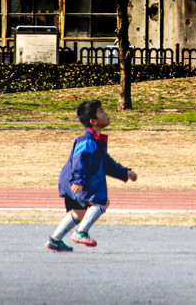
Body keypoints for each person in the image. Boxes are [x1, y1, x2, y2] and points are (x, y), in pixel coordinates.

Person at [45, 99, 137, 252]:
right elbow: (79, 160)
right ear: (93, 121)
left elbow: (106, 163)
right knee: (101, 201)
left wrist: (124, 173)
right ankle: (81, 233)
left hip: (73, 179)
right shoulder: (87, 141)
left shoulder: (97, 141)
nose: (106, 114)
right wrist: (78, 180)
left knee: (79, 213)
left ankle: (54, 240)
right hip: (75, 179)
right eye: (101, 111)